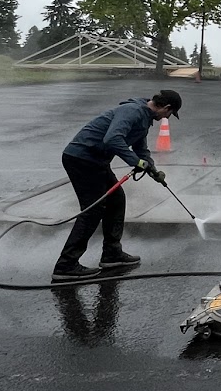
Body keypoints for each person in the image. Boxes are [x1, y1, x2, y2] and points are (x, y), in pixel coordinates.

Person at [52, 90, 182, 281]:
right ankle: (66, 265)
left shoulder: (144, 118)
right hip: (81, 158)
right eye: (170, 114)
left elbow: (140, 148)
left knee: (116, 200)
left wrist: (152, 169)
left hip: (97, 161)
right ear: (166, 107)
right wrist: (136, 163)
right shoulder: (132, 111)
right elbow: (112, 139)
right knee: (93, 210)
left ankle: (112, 254)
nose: (167, 118)